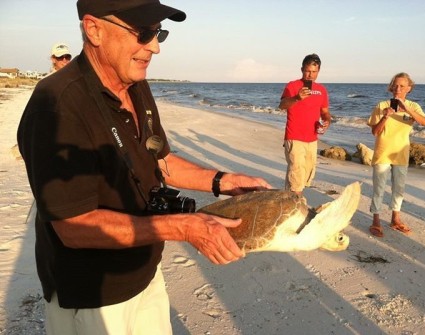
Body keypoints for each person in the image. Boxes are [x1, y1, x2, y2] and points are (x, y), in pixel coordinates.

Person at [17, 1, 271, 334]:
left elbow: (159, 160)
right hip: (94, 296)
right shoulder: (56, 105)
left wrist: (224, 181)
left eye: (159, 32)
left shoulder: (135, 84)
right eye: (143, 33)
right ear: (94, 29)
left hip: (145, 274)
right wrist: (182, 227)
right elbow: (73, 227)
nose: (155, 47)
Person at [367, 72, 425, 238]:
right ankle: (376, 220)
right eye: (395, 85)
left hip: (401, 153)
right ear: (391, 87)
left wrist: (406, 108)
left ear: (409, 88)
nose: (397, 88)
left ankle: (396, 219)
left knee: (399, 188)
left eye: (402, 86)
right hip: (383, 153)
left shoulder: (413, 106)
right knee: (379, 188)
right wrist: (386, 117)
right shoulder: (382, 105)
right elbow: (375, 132)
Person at [278, 53, 331, 199]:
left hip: (312, 139)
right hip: (294, 136)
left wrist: (326, 122)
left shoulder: (321, 90)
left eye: (314, 72)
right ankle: (295, 205)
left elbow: (325, 112)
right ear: (302, 69)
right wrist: (297, 97)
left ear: (318, 71)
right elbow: (282, 105)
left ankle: (290, 202)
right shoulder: (293, 86)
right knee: (296, 174)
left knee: (306, 175)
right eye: (308, 71)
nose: (310, 75)